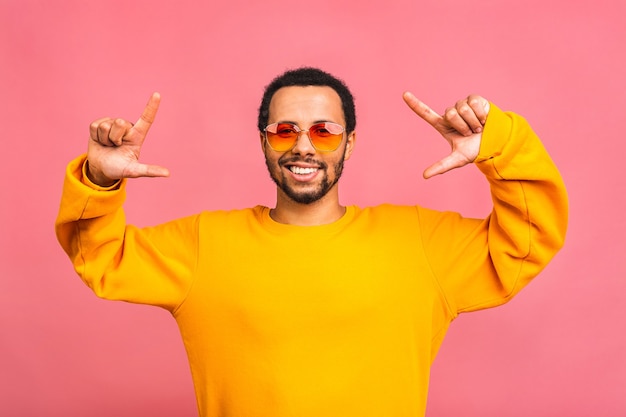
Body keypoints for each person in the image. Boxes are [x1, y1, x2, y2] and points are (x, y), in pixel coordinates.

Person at [55, 67, 568, 417]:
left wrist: (498, 149)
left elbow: (528, 240)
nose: (303, 145)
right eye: (284, 130)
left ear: (350, 142)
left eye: (324, 130)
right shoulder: (203, 244)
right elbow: (102, 255)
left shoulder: (420, 243)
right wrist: (100, 180)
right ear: (263, 141)